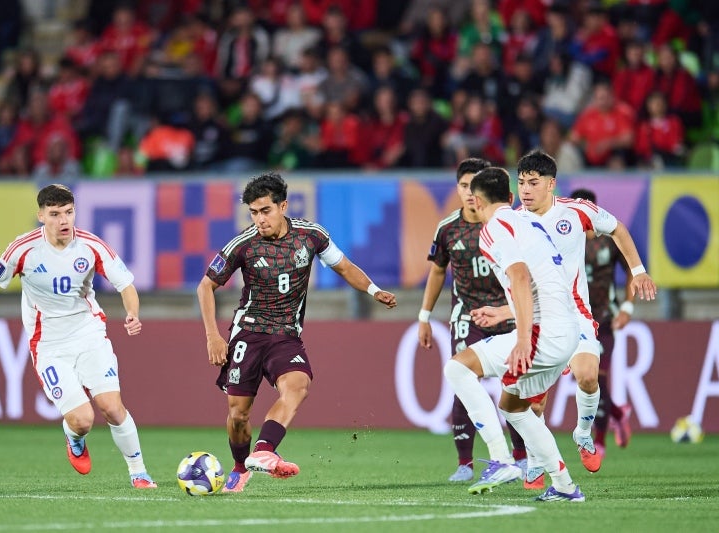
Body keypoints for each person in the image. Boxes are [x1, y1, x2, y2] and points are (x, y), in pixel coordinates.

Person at [197, 172, 397, 494]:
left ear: (283, 206)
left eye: (265, 211)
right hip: (248, 333)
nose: (259, 219)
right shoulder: (243, 244)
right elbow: (206, 286)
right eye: (253, 212)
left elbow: (344, 267)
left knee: (298, 385)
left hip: (286, 335)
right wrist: (213, 336)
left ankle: (264, 450)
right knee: (238, 414)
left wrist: (374, 290)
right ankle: (240, 467)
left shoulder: (311, 236)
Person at [474, 149, 656, 487]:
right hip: (539, 319)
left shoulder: (576, 211)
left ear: (551, 184)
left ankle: (583, 433)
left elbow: (617, 229)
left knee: (588, 377)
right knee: (534, 404)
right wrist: (504, 311)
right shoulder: (513, 222)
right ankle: (536, 459)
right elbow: (520, 281)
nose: (525, 190)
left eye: (533, 182)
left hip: (576, 315)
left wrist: (638, 271)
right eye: (521, 183)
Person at [0, 184, 157, 489]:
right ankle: (74, 436)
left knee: (112, 407)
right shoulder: (24, 249)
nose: (63, 220)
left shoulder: (91, 246)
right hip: (49, 345)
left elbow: (126, 285)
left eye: (68, 212)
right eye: (55, 214)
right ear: (41, 216)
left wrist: (132, 312)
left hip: (89, 334)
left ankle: (139, 473)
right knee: (82, 420)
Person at [443, 166, 585, 502]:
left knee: (458, 368)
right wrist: (504, 313)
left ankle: (501, 459)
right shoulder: (527, 221)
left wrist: (522, 338)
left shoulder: (492, 229)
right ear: (510, 196)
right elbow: (545, 283)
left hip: (541, 333)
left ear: (477, 202)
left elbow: (519, 276)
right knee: (513, 407)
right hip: (567, 331)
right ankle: (565, 486)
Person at [418, 158, 528, 483]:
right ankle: (465, 462)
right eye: (464, 186)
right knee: (462, 377)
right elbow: (438, 271)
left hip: (508, 311)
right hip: (469, 314)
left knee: (515, 384)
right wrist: (424, 316)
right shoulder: (448, 228)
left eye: (474, 186)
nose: (469, 193)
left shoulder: (505, 223)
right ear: (457, 188)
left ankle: (521, 457)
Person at [569, 188, 633, 456]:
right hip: (575, 320)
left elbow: (631, 270)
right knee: (586, 379)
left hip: (604, 318)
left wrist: (627, 307)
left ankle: (600, 441)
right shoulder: (563, 238)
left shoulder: (609, 239)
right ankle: (618, 413)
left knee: (599, 376)